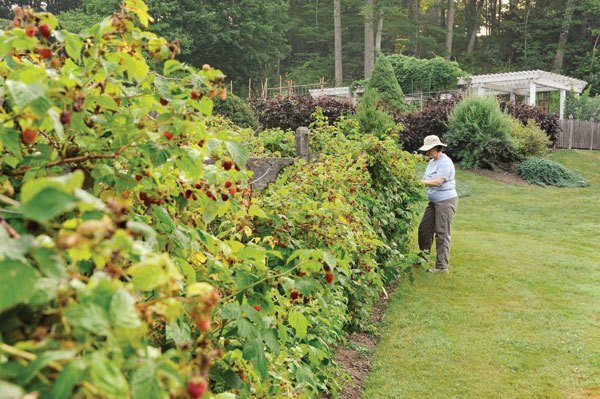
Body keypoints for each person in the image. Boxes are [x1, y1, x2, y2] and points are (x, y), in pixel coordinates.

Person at [418, 135, 458, 274]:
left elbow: (438, 182)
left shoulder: (445, 162)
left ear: (436, 148)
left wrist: (419, 183)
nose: (427, 153)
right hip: (433, 202)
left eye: (428, 150)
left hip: (446, 201)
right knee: (424, 229)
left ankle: (442, 267)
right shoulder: (431, 162)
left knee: (442, 233)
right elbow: (426, 179)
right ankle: (423, 259)